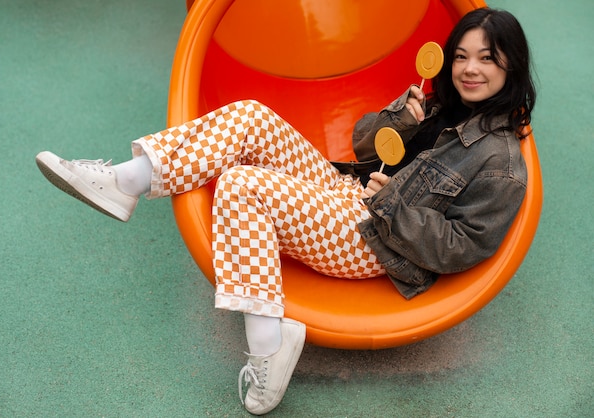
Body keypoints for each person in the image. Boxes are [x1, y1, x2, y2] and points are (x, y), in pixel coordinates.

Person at [35, 7, 535, 415]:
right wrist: (401, 118)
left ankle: (268, 345)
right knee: (252, 115)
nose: (470, 69)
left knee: (242, 186)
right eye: (462, 57)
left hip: (377, 241)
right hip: (350, 194)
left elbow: (464, 247)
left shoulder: (502, 162)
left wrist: (391, 204)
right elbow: (364, 146)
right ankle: (124, 181)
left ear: (510, 64)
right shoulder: (443, 108)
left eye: (487, 59)